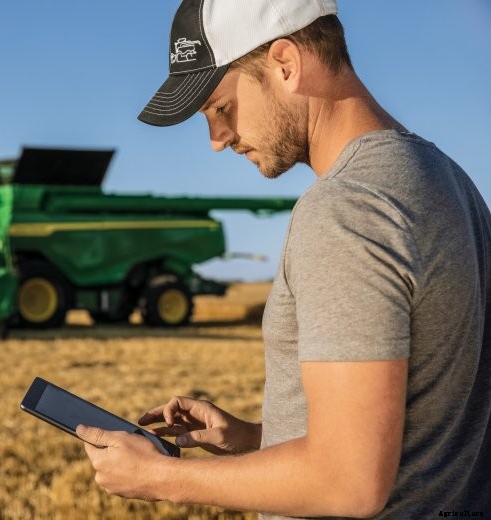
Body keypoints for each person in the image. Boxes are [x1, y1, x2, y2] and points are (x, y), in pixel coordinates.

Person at [75, 0, 491, 518]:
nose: (216, 140)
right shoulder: (446, 179)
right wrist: (253, 438)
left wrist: (163, 476)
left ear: (286, 63)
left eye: (221, 108)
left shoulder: (345, 210)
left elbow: (348, 483)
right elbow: (422, 434)